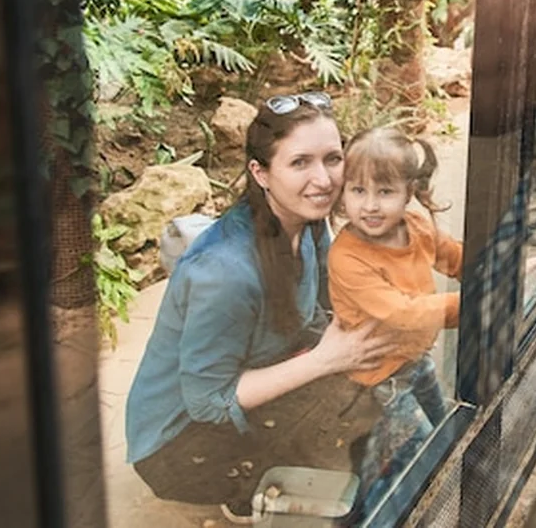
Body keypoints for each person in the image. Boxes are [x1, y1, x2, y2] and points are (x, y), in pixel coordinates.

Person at [124, 92, 396, 525]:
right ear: (261, 172)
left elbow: (329, 310)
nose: (324, 179)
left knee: (376, 385)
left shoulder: (308, 223)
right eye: (300, 162)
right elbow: (209, 403)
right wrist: (327, 360)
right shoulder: (225, 273)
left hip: (261, 369)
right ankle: (242, 488)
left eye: (332, 158)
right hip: (178, 447)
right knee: (348, 412)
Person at [327, 126, 464, 513]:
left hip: (415, 360)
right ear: (343, 194)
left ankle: (435, 488)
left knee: (444, 426)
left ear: (409, 192)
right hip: (380, 379)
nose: (370, 205)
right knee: (412, 451)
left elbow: (451, 255)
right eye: (358, 191)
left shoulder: (416, 227)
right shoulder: (347, 257)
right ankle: (374, 516)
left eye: (385, 192)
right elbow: (404, 314)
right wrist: (475, 303)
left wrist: (495, 272)